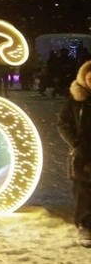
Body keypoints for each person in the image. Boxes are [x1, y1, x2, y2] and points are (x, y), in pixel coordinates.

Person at [57, 60, 91, 248]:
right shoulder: (75, 101)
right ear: (84, 79)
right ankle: (85, 225)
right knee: (83, 189)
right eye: (90, 78)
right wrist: (76, 143)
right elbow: (63, 124)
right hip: (83, 152)